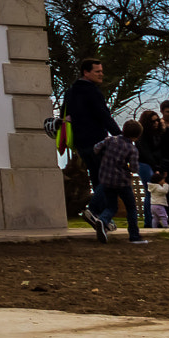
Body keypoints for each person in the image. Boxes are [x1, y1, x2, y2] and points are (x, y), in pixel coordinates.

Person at [61, 60, 119, 226]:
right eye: (97, 71)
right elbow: (104, 116)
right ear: (86, 72)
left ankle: (101, 217)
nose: (101, 74)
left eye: (101, 71)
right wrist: (121, 136)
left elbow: (65, 116)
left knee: (96, 178)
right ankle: (93, 210)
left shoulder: (70, 92)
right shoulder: (92, 92)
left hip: (81, 144)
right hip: (97, 142)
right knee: (107, 179)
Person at [90, 120, 149, 244]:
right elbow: (133, 167)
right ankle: (134, 236)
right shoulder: (132, 149)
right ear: (137, 136)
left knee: (111, 206)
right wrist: (128, 168)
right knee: (131, 208)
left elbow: (96, 148)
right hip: (122, 182)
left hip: (106, 179)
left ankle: (103, 220)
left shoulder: (110, 140)